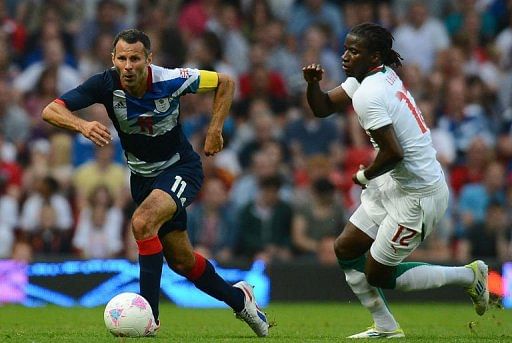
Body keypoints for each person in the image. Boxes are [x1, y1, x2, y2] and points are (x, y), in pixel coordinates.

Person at [42, 29, 269, 337]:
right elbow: (51, 110)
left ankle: (148, 316)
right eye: (122, 58)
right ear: (113, 59)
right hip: (143, 178)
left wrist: (215, 129)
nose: (128, 65)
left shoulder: (170, 79)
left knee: (142, 221)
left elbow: (225, 82)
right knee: (182, 261)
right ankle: (240, 300)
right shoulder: (104, 83)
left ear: (148, 60)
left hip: (181, 169)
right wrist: (82, 125)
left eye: (135, 58)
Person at [302, 22, 489, 339]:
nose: (345, 56)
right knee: (346, 248)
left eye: (354, 51)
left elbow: (393, 153)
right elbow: (321, 108)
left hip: (417, 194)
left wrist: (362, 175)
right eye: (346, 48)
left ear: (374, 56)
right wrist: (312, 85)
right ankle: (386, 327)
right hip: (394, 184)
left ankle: (469, 275)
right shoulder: (371, 79)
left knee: (378, 274)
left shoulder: (371, 94)